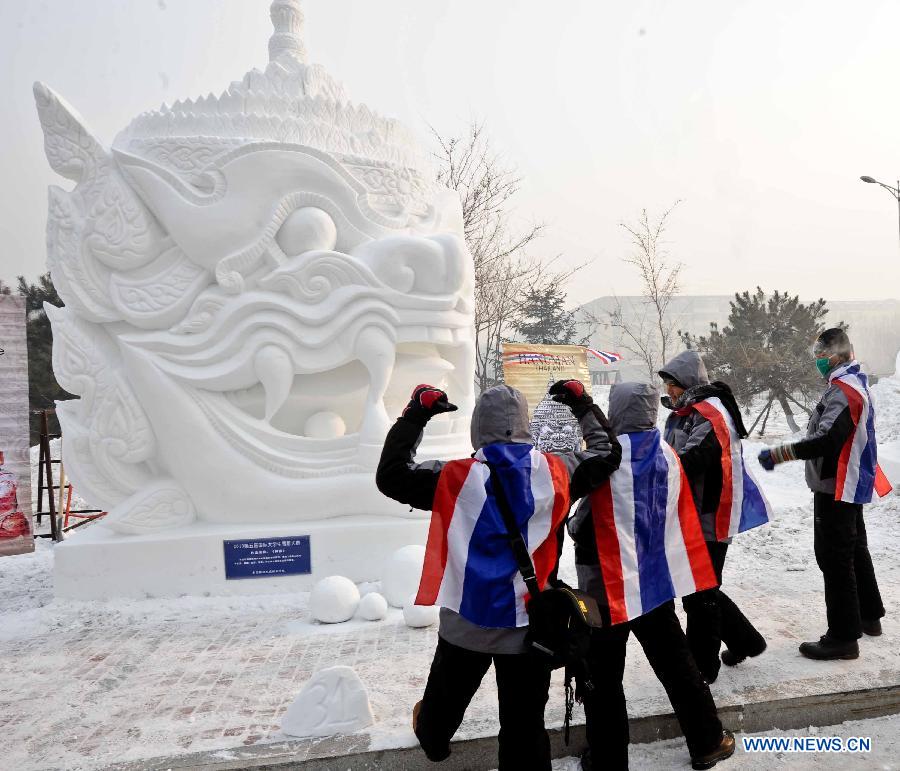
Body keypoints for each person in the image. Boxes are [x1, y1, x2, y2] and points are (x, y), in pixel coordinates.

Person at [376, 380, 620, 769]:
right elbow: (607, 453)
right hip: (530, 629)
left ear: (477, 427)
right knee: (524, 729)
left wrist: (417, 413)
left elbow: (391, 474)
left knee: (443, 705)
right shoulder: (560, 472)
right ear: (524, 423)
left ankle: (434, 743)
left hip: (465, 622)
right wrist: (583, 404)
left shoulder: (453, 478)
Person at [569, 382, 735, 771]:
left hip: (605, 584)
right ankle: (708, 741)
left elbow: (583, 523)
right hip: (651, 581)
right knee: (677, 662)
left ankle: (608, 759)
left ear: (615, 411)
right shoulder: (666, 453)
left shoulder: (604, 456)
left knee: (604, 675)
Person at [758, 328, 887, 660]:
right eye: (815, 354)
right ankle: (868, 616)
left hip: (837, 484)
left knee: (835, 558)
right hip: (848, 482)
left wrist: (781, 453)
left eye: (822, 355)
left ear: (841, 355)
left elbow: (828, 439)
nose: (818, 360)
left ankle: (843, 637)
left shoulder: (844, 391)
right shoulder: (853, 385)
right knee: (854, 549)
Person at [658, 351, 768, 682]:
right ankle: (745, 640)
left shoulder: (709, 413)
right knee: (701, 586)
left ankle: (703, 668)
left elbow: (693, 459)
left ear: (688, 384)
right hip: (693, 512)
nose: (669, 390)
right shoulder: (684, 412)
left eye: (673, 384)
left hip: (711, 515)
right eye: (666, 384)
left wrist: (654, 470)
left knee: (700, 593)